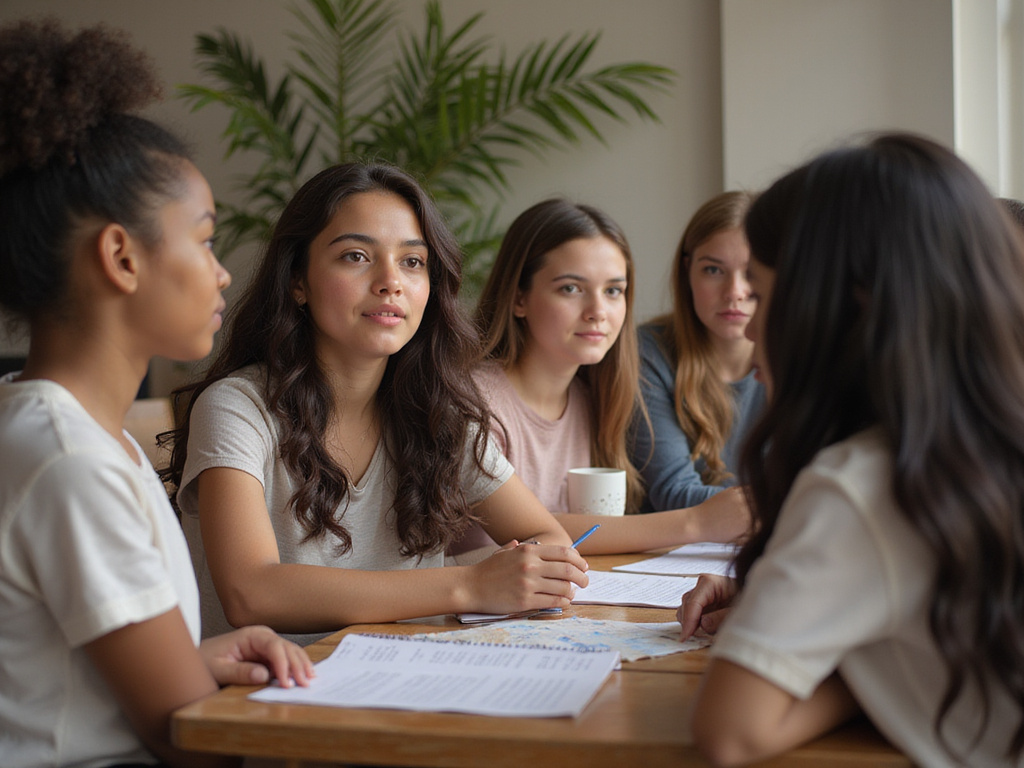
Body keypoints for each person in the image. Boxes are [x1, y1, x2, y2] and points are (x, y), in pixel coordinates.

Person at [0, 19, 313, 768]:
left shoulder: (67, 432)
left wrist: (192, 659)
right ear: (121, 257)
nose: (223, 272)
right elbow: (190, 741)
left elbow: (67, 670)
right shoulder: (72, 461)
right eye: (203, 240)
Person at [677, 133, 1024, 767]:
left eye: (761, 289)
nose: (750, 325)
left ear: (840, 301)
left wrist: (841, 658)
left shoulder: (863, 484)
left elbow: (732, 731)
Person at [162, 163, 589, 646]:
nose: (391, 282)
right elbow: (251, 592)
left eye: (412, 262)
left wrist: (507, 573)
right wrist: (468, 583)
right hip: (271, 700)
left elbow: (547, 537)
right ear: (297, 280)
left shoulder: (439, 414)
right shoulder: (238, 408)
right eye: (356, 256)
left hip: (408, 683)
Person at [450, 198, 750, 559]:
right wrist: (698, 521)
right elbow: (534, 534)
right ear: (519, 298)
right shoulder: (473, 402)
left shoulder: (596, 398)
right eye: (571, 289)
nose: (598, 312)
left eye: (613, 291)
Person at [630, 191, 765, 512]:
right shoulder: (649, 352)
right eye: (713, 270)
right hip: (666, 557)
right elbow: (673, 493)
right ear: (688, 271)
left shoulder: (804, 356)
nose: (734, 292)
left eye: (751, 272)